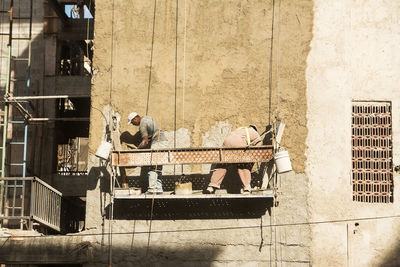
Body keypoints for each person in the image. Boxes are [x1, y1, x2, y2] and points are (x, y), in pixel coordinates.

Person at [203, 125, 262, 194]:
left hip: (226, 142)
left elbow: (230, 140)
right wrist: (252, 159)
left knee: (222, 164)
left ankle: (211, 187)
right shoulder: (254, 132)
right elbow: (258, 146)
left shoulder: (239, 130)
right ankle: (246, 188)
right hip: (238, 143)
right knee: (243, 165)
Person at [128, 112, 168, 194]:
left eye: (132, 122)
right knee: (158, 167)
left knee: (152, 167)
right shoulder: (147, 118)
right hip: (163, 142)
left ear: (135, 118)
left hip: (158, 143)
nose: (133, 124)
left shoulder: (142, 125)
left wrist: (137, 149)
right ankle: (159, 189)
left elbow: (145, 141)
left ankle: (151, 189)